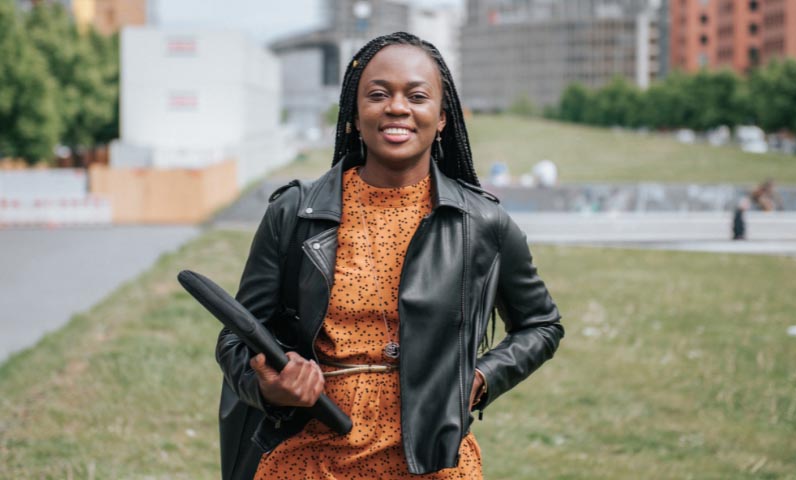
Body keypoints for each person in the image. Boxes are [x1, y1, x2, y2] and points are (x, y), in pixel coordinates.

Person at [216, 32, 564, 480]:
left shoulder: (481, 222)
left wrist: (478, 380)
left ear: (442, 117)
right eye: (378, 94)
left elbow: (542, 324)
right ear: (354, 115)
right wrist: (269, 384)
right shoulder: (294, 213)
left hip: (432, 461)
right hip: (307, 458)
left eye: (417, 96)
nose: (397, 107)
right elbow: (236, 338)